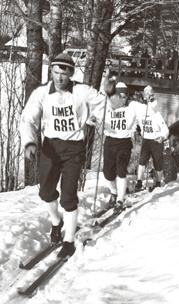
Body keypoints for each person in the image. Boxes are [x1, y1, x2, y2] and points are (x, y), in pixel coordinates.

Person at [20, 53, 107, 259]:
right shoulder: (41, 93)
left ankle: (68, 241)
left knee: (68, 196)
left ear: (71, 74)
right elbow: (28, 118)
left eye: (64, 74)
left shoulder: (81, 91)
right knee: (46, 192)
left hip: (74, 148)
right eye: (56, 73)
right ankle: (56, 223)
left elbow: (104, 105)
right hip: (50, 147)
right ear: (51, 72)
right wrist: (30, 142)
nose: (59, 78)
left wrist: (94, 119)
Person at [90, 80, 146, 210]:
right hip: (109, 141)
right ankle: (114, 192)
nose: (123, 99)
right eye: (120, 96)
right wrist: (93, 118)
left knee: (121, 170)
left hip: (124, 143)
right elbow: (95, 114)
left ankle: (120, 199)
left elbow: (149, 111)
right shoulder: (108, 106)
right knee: (108, 173)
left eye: (125, 96)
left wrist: (150, 99)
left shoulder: (133, 106)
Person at [135, 85, 169, 192]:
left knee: (158, 162)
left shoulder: (157, 114)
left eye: (149, 94)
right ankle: (139, 181)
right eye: (146, 94)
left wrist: (162, 137)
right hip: (146, 139)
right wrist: (137, 130)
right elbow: (137, 122)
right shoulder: (141, 113)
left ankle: (158, 182)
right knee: (142, 161)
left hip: (155, 140)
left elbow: (166, 129)